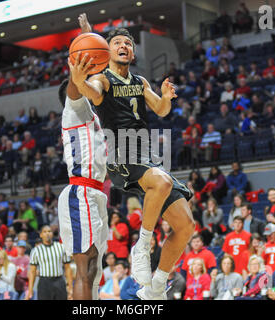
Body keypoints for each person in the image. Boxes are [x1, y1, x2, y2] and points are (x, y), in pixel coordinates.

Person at [69, 14, 195, 300]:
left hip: (146, 155)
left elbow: (161, 111)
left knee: (186, 226)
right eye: (117, 42)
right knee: (161, 182)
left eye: (128, 42)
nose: (123, 45)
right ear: (108, 51)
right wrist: (80, 78)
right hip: (121, 152)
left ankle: (156, 285)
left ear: (133, 52)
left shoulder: (139, 81)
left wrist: (164, 97)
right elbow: (91, 91)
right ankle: (142, 247)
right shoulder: (103, 79)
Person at [26, 225, 73, 300]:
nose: (47, 233)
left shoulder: (61, 247)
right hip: (44, 282)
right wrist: (30, 289)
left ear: (52, 234)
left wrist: (70, 287)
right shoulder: (36, 250)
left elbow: (68, 268)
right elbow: (32, 271)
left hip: (59, 281)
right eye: (45, 232)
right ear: (41, 235)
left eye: (49, 231)